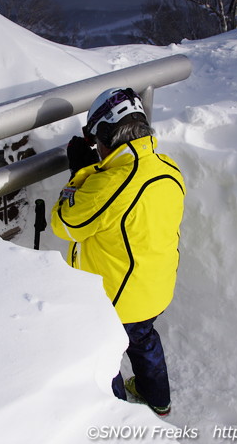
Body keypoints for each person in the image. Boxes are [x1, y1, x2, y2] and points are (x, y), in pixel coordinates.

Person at [50, 87, 186, 416]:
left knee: (106, 354)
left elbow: (65, 223)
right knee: (143, 340)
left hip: (117, 300)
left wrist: (79, 174)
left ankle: (118, 415)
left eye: (95, 141)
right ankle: (158, 399)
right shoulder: (167, 168)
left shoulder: (110, 184)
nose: (94, 148)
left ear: (106, 137)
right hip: (155, 288)